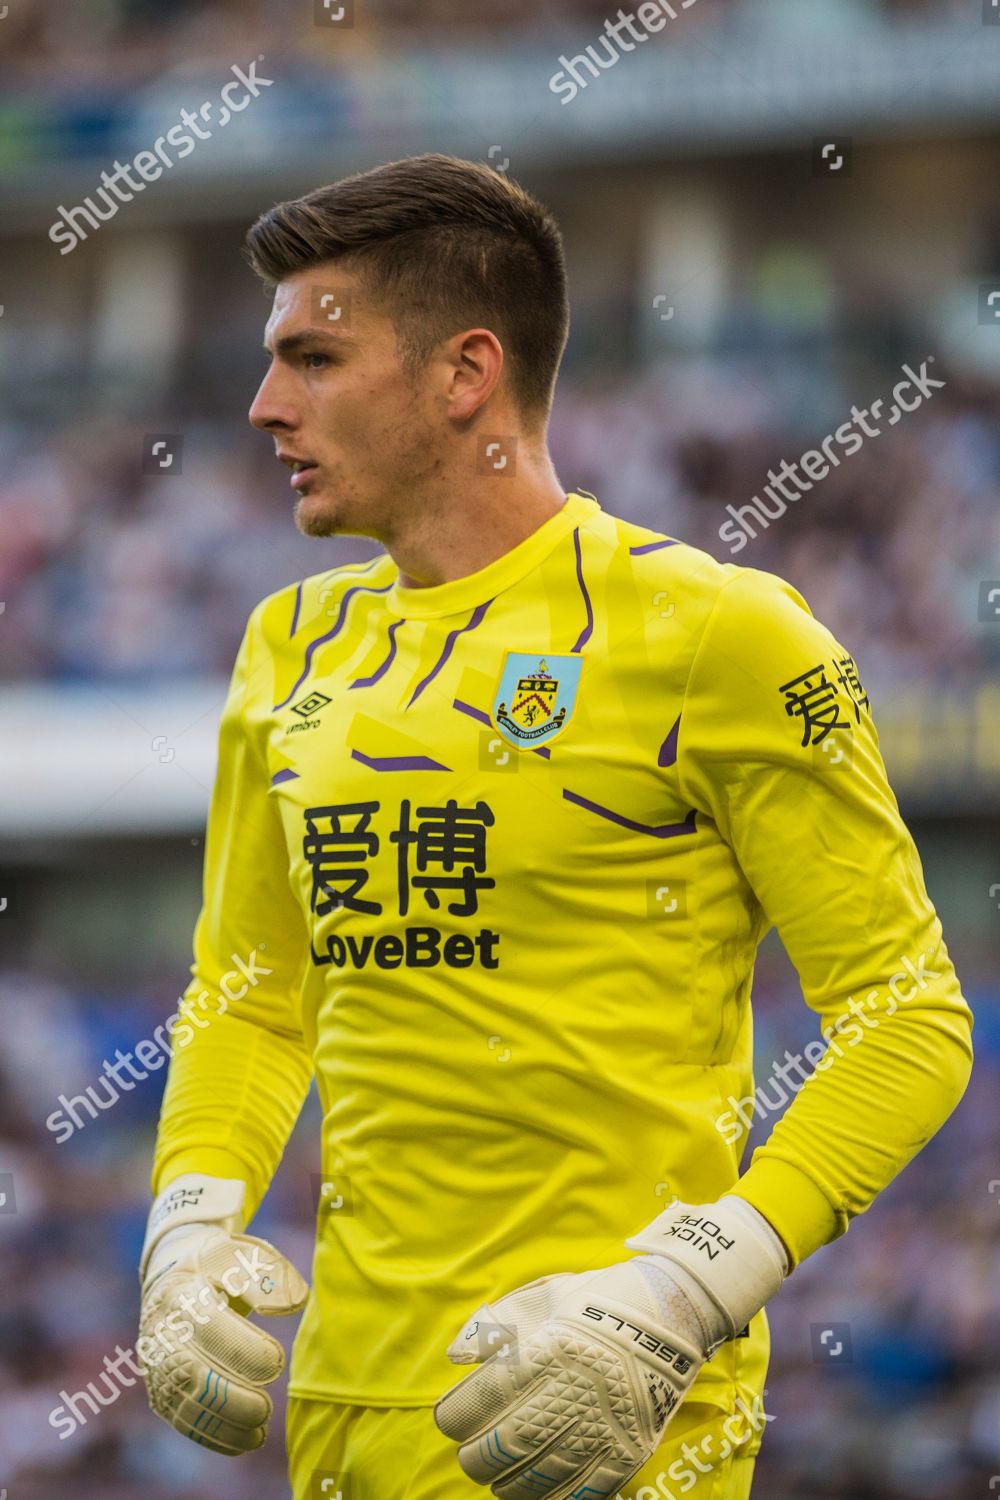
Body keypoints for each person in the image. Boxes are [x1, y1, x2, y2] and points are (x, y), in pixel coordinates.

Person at [137, 154, 974, 1500]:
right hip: (345, 1414)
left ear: (466, 374)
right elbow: (252, 998)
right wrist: (182, 1234)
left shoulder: (721, 635)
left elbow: (910, 1017)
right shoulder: (286, 646)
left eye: (314, 358)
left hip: (611, 1418)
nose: (263, 405)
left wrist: (684, 1292)